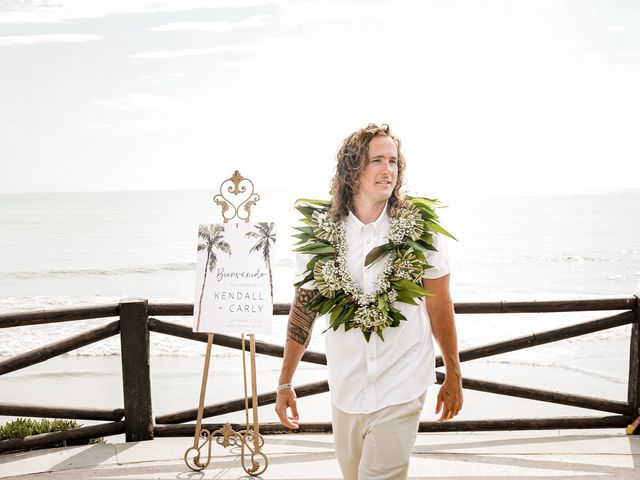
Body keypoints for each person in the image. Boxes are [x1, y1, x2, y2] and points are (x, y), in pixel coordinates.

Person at [275, 123, 463, 480]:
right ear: (352, 169)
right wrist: (285, 381)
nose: (387, 170)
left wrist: (453, 371)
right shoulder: (321, 235)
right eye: (377, 160)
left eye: (393, 161)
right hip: (345, 385)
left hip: (402, 381)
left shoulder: (422, 231)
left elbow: (440, 304)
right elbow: (304, 308)